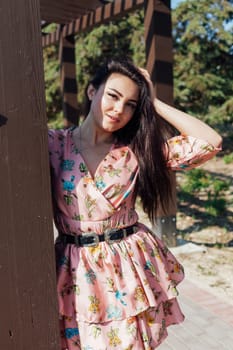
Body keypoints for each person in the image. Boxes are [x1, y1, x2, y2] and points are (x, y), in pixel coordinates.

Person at [48, 58, 222, 350]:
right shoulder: (53, 143)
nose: (119, 109)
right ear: (92, 91)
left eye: (131, 104)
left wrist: (153, 102)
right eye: (113, 96)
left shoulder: (137, 150)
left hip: (125, 267)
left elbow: (209, 141)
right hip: (74, 269)